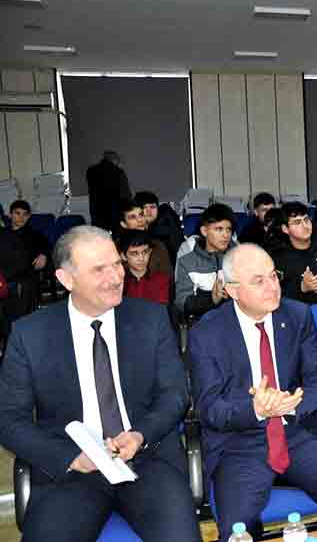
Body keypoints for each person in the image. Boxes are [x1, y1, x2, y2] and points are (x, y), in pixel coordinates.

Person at [0, 226, 200, 542]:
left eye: (117, 264)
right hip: (70, 470)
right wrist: (71, 458)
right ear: (66, 279)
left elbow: (175, 394)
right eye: (99, 270)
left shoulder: (151, 318)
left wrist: (139, 435)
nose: (115, 277)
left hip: (147, 460)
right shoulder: (30, 334)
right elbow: (9, 421)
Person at [190, 244, 317, 542]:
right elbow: (209, 409)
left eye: (273, 276)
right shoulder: (206, 333)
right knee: (237, 531)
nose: (272, 287)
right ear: (231, 290)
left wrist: (292, 404)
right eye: (259, 281)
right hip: (239, 443)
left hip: (296, 431)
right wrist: (256, 409)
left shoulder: (297, 315)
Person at [174, 203, 237, 318]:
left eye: (228, 229)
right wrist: (211, 299)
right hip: (202, 321)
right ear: (204, 231)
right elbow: (182, 303)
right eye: (219, 229)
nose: (226, 235)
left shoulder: (239, 255)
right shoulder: (187, 261)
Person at [8, 200, 50, 317]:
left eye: (25, 214)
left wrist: (44, 255)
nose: (21, 218)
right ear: (10, 215)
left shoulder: (34, 235)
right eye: (17, 213)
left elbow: (46, 247)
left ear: (29, 217)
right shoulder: (3, 234)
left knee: (26, 283)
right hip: (5, 274)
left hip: (25, 275)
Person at [117, 199, 172, 276]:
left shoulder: (158, 245)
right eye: (133, 217)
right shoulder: (115, 249)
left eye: (141, 215)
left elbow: (168, 277)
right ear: (123, 224)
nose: (140, 220)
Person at [118, 230, 170, 305]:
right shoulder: (118, 281)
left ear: (150, 251)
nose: (141, 258)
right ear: (123, 256)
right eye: (134, 253)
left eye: (145, 252)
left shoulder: (161, 279)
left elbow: (161, 308)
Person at [86, 150, 132, 231]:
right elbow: (126, 195)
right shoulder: (118, 172)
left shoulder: (91, 171)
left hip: (97, 212)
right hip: (114, 214)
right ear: (114, 160)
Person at [134, 191, 183, 265]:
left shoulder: (166, 229)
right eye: (144, 207)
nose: (149, 211)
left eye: (152, 207)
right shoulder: (133, 231)